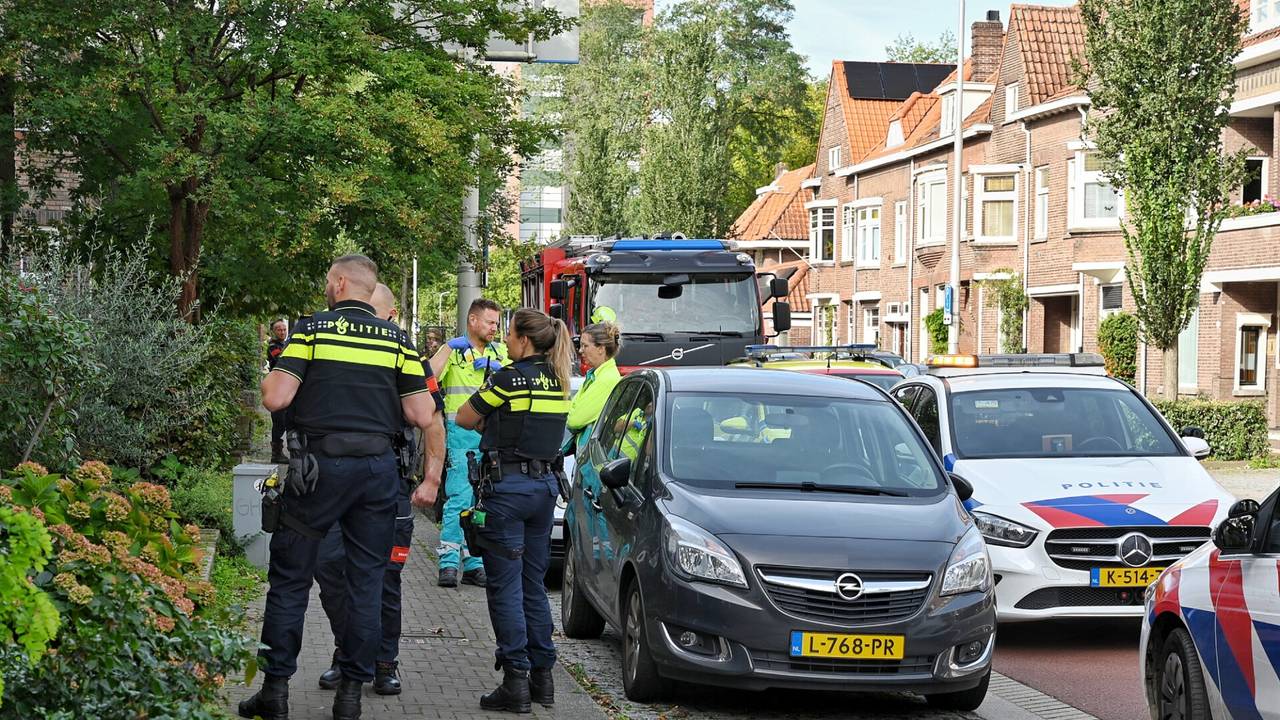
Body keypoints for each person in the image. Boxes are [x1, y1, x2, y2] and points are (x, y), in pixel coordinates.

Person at [238, 255, 441, 720]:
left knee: (290, 579)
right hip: (376, 474)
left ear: (341, 282)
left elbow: (275, 397)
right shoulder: (398, 340)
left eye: (329, 281)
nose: (327, 288)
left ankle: (275, 692)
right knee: (367, 582)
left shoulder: (311, 330)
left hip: (317, 470)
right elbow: (420, 414)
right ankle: (349, 697)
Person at [312, 283, 447, 696]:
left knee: (386, 579)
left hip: (388, 487)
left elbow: (433, 422)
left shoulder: (407, 358)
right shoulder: (330, 348)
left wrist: (431, 479)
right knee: (329, 568)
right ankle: (348, 651)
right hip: (334, 485)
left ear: (389, 317)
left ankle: (385, 661)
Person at [454, 308, 572, 713]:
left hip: (507, 492)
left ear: (524, 339)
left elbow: (464, 416)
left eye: (509, 334)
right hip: (544, 490)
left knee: (504, 587)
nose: (504, 339)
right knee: (532, 585)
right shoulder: (558, 380)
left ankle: (515, 682)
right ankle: (543, 679)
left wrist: (491, 426)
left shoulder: (508, 378)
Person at [429, 298, 508, 588]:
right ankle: (449, 563)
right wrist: (448, 347)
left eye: (497, 323)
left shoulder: (501, 352)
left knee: (483, 502)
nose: (494, 328)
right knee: (460, 499)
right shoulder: (454, 351)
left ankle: (474, 563)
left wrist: (499, 369)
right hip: (461, 436)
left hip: (492, 437)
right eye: (490, 322)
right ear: (472, 320)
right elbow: (428, 376)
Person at [564, 321, 622, 456]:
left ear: (601, 348)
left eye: (585, 346)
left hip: (594, 459)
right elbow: (573, 410)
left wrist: (572, 411)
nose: (580, 351)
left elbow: (574, 420)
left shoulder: (606, 380)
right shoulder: (596, 375)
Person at [266, 319, 290, 463]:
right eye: (279, 330)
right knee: (279, 421)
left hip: (287, 387)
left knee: (289, 419)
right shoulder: (273, 346)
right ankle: (276, 453)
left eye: (284, 329)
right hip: (277, 388)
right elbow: (282, 359)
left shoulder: (286, 344)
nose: (282, 332)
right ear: (274, 331)